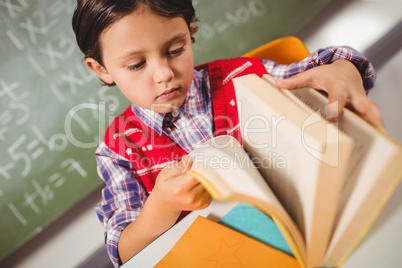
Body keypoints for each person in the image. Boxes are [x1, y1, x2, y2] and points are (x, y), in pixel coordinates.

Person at [72, 0, 383, 266]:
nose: (164, 73)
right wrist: (162, 206)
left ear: (190, 32)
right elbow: (125, 254)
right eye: (137, 64)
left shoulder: (241, 76)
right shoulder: (119, 148)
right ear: (101, 69)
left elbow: (315, 73)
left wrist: (343, 70)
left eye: (176, 49)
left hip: (314, 239)